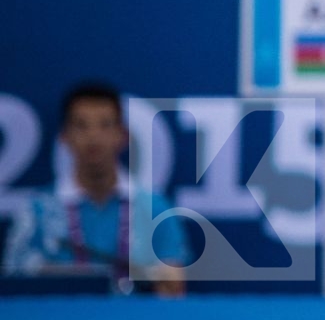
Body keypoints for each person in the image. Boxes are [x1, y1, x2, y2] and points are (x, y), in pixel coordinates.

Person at [2, 82, 190, 291]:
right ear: (65, 136)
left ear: (123, 135)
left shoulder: (155, 208)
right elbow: (14, 289)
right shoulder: (36, 211)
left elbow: (174, 289)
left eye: (105, 125)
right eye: (81, 125)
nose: (93, 136)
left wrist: (164, 281)